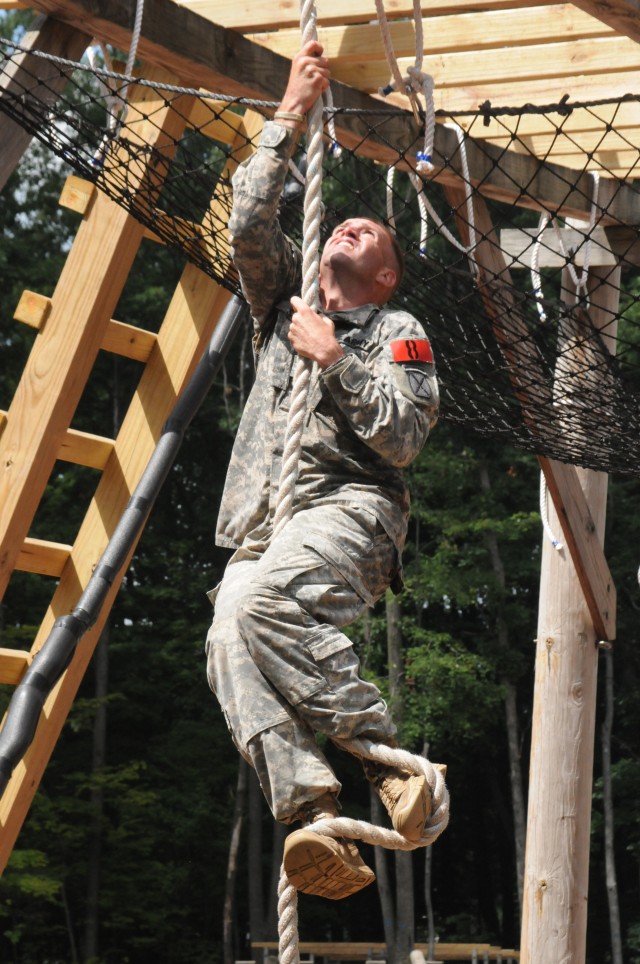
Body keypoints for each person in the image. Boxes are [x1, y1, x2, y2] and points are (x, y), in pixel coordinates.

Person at [205, 40, 440, 901]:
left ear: (383, 272)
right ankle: (310, 812)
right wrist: (289, 115)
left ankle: (390, 764)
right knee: (229, 635)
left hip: (349, 506)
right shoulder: (282, 306)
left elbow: (405, 435)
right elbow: (246, 223)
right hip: (267, 519)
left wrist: (337, 357)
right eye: (344, 220)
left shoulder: (397, 329)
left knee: (266, 602)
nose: (348, 223)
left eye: (367, 231)